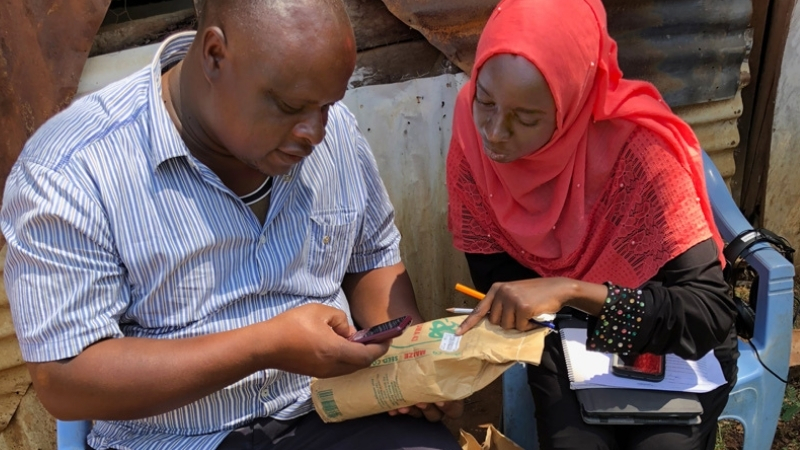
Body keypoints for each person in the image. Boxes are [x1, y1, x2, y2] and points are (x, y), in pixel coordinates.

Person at [0, 0, 462, 449]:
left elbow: (372, 260)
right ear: (215, 55)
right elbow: (66, 380)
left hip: (330, 409)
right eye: (288, 106)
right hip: (176, 438)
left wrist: (411, 360)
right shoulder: (70, 169)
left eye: (326, 106)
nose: (315, 132)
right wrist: (265, 346)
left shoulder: (331, 128)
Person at [447, 0, 738, 449]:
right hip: (564, 338)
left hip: (671, 343)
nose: (495, 132)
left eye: (526, 118)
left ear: (574, 102)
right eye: (485, 101)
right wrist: (540, 306)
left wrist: (575, 290)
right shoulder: (473, 138)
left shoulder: (638, 153)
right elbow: (496, 279)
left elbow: (709, 314)